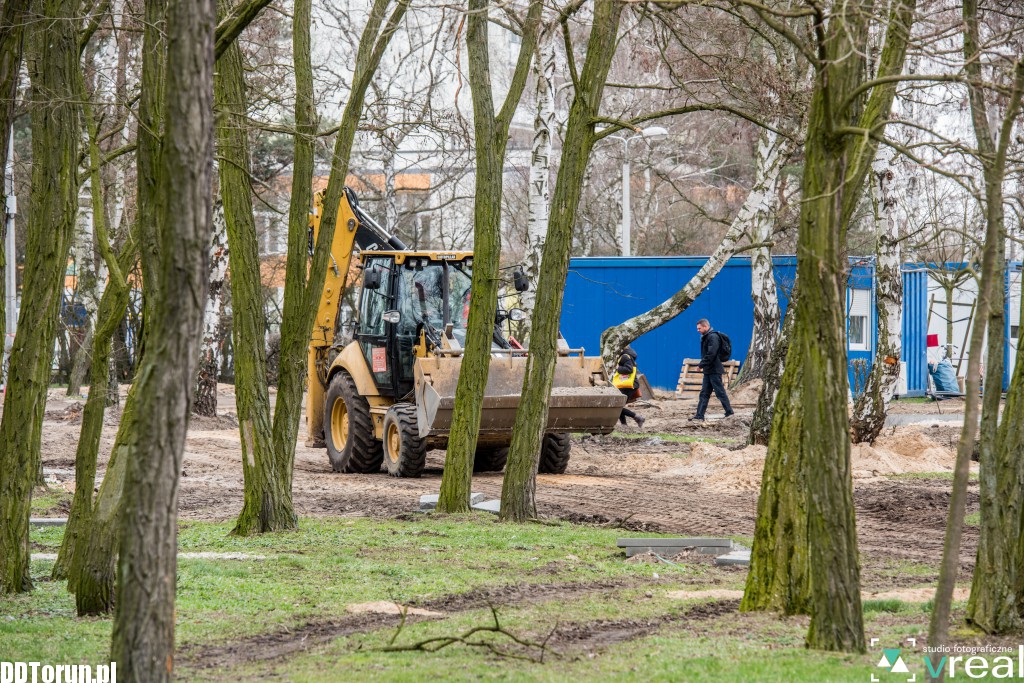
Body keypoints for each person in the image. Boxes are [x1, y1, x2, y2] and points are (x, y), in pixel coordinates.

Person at [691, 319, 734, 421]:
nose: (697, 330)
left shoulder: (713, 337)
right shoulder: (707, 337)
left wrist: (700, 365)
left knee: (720, 392)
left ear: (706, 327)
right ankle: (699, 415)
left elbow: (711, 354)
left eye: (699, 328)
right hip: (709, 370)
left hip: (714, 370)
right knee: (704, 394)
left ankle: (729, 412)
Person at [613, 346, 646, 429]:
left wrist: (618, 368)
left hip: (628, 385)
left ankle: (637, 417)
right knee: (619, 406)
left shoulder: (625, 356)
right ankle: (625, 425)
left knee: (617, 406)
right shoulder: (626, 355)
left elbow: (629, 369)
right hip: (626, 385)